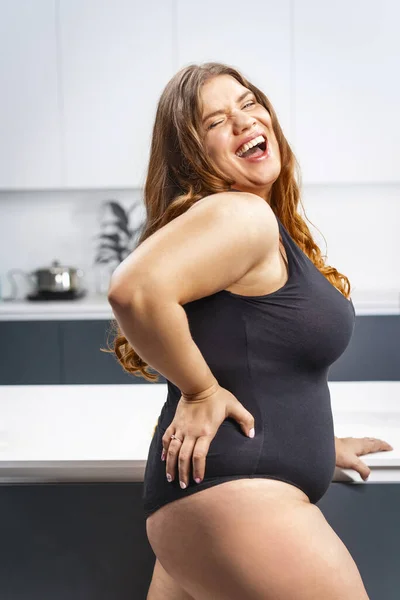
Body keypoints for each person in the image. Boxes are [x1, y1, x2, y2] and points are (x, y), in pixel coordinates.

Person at [106, 62, 393, 600]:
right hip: (239, 509)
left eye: (248, 102)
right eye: (216, 121)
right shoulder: (242, 215)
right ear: (193, 154)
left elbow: (253, 358)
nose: (243, 120)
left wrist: (311, 444)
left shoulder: (252, 223)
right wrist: (202, 391)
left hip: (207, 509)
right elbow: (133, 291)